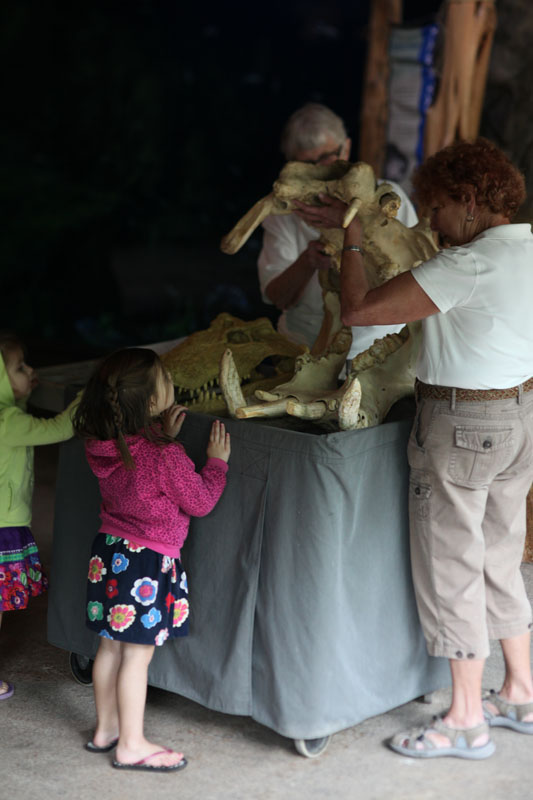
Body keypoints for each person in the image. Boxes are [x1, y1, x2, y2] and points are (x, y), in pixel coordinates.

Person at [296, 137, 533, 759]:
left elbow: (358, 310)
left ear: (470, 199)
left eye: (438, 208)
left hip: (462, 425)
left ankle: (465, 719)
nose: (431, 222)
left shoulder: (467, 266)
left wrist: (351, 239)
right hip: (520, 417)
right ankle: (520, 691)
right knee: (500, 554)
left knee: (452, 565)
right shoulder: (529, 249)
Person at [73, 347, 230, 772]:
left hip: (109, 554)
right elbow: (199, 501)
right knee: (137, 657)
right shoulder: (164, 455)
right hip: (146, 562)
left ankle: (106, 729)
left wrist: (161, 432)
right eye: (166, 379)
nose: (172, 382)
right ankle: (131, 744)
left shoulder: (104, 445)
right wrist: (216, 464)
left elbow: (138, 465)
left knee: (109, 648)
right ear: (153, 401)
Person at [258, 102, 419, 359]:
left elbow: (416, 280)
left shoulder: (388, 199)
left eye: (326, 158)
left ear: (346, 147)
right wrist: (308, 261)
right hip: (303, 349)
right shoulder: (284, 212)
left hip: (379, 351)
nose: (320, 170)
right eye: (308, 163)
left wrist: (351, 232)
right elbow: (276, 296)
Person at [0, 331, 78, 701]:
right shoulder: (8, 421)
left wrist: (21, 392)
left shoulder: (8, 418)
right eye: (20, 368)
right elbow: (59, 428)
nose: (30, 370)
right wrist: (84, 400)